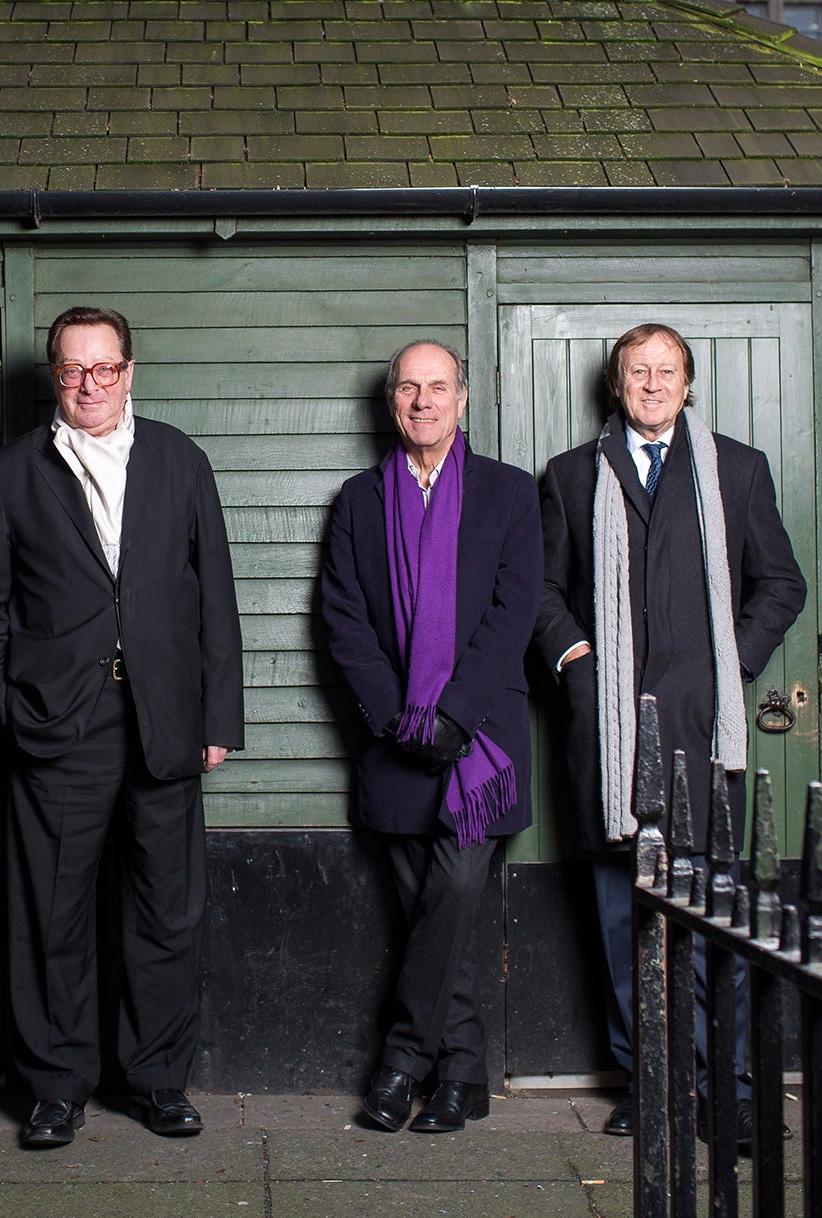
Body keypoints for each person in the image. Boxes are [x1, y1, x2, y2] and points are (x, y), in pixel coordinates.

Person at [0, 306, 244, 1150]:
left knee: (167, 911)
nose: (88, 385)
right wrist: (14, 710)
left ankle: (159, 1081)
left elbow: (216, 600)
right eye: (72, 370)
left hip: (165, 723)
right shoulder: (10, 474)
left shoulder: (180, 459)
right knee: (51, 915)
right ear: (55, 375)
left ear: (131, 371)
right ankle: (55, 1087)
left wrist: (217, 717)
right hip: (58, 729)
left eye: (105, 368)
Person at [534, 323, 806, 1145]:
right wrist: (575, 659)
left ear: (689, 384)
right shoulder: (572, 475)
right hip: (609, 738)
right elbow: (542, 591)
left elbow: (780, 584)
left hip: (701, 730)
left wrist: (734, 664)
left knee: (711, 921)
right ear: (616, 386)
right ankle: (650, 1086)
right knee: (624, 924)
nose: (652, 385)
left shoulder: (739, 469)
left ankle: (736, 1089)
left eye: (668, 372)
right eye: (637, 372)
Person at [320, 340, 540, 1135]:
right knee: (434, 916)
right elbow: (342, 620)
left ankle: (404, 1061)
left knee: (448, 895)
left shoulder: (511, 494)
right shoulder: (356, 500)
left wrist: (454, 716)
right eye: (408, 387)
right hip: (395, 742)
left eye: (438, 387)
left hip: (480, 747)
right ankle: (464, 1075)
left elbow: (513, 615)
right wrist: (397, 717)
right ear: (391, 402)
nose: (423, 401)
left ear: (464, 399)